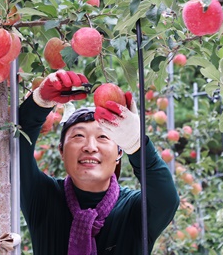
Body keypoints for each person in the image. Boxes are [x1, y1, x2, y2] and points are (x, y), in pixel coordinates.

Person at [19, 70, 179, 254]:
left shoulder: (134, 211)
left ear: (120, 152)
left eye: (103, 137)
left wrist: (137, 144)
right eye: (78, 136)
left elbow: (166, 199)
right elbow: (16, 152)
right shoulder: (44, 198)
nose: (90, 146)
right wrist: (39, 102)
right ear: (61, 151)